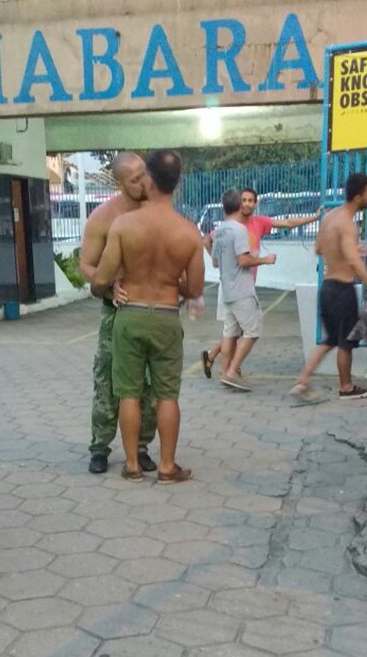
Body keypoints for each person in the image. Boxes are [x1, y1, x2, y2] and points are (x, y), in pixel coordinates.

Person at [92, 149, 204, 484]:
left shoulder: (124, 226)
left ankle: (132, 466)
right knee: (167, 395)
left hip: (130, 316)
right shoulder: (189, 233)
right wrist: (171, 279)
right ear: (177, 183)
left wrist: (113, 287)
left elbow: (100, 280)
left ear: (150, 180)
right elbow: (195, 289)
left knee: (129, 393)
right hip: (167, 317)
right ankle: (168, 466)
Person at [79, 152, 157, 474]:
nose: (143, 183)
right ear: (120, 183)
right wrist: (109, 286)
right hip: (116, 311)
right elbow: (86, 265)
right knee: (108, 380)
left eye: (144, 175)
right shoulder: (103, 217)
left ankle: (140, 446)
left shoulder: (156, 210)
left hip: (153, 309)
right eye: (135, 179)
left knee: (150, 384)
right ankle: (100, 446)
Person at [201, 187, 321, 378]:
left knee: (235, 330)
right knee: (238, 331)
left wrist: (314, 218)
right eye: (244, 200)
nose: (247, 204)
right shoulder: (232, 226)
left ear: (255, 204)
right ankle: (229, 368)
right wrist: (218, 263)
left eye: (251, 200)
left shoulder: (260, 222)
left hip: (246, 283)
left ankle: (219, 360)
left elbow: (288, 222)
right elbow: (208, 240)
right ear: (238, 204)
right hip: (232, 285)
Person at [290, 173, 367, 401]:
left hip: (328, 287)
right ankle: (347, 387)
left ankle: (303, 381)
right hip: (342, 290)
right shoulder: (347, 224)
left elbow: (319, 249)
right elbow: (352, 260)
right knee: (346, 342)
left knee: (330, 339)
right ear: (359, 196)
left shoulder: (330, 218)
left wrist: (347, 250)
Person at [210, 189, 277, 392]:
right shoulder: (239, 230)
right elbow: (243, 259)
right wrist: (265, 259)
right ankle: (232, 371)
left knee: (230, 333)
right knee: (253, 330)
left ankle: (226, 374)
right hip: (242, 290)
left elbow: (214, 261)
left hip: (227, 291)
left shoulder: (220, 230)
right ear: (239, 206)